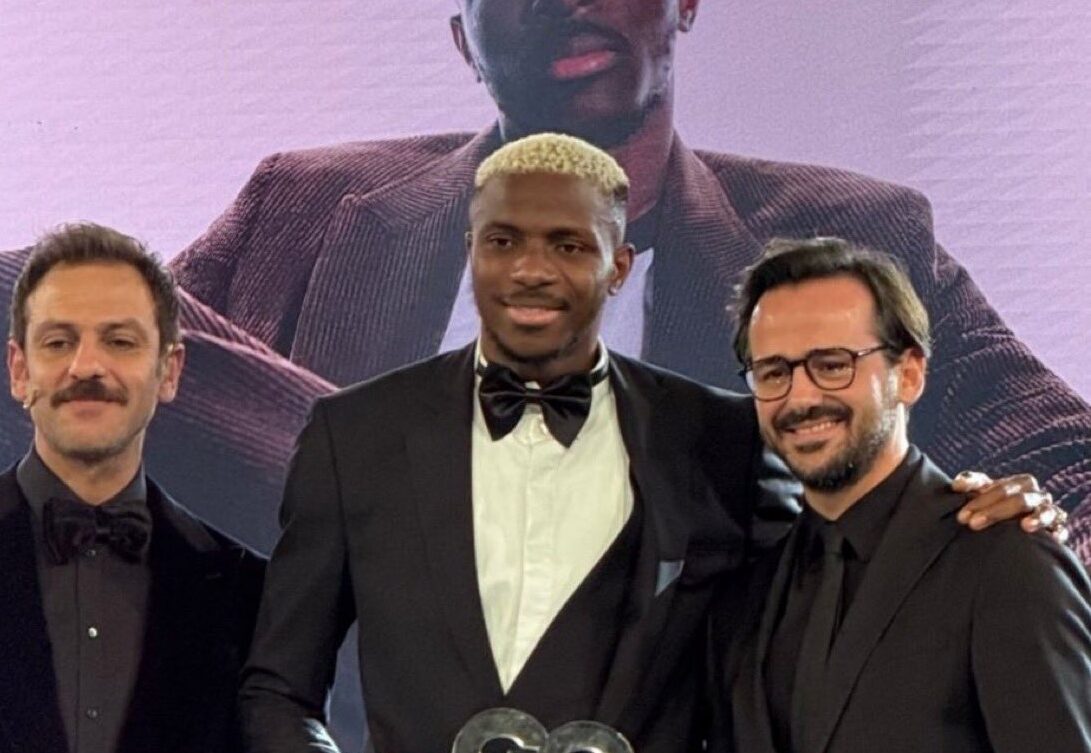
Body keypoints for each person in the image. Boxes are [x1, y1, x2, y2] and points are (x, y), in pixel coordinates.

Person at [161, 0, 1091, 560]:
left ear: (683, 2)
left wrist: (1032, 544)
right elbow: (104, 351)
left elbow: (1069, 462)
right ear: (463, 41)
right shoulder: (307, 204)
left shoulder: (855, 234)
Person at [239, 135, 1057, 753]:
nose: (531, 270)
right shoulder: (354, 433)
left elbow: (836, 573)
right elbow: (278, 687)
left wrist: (996, 511)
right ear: (470, 251)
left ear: (620, 265)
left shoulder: (718, 436)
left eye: (568, 244)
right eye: (503, 240)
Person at [709, 238, 1091, 753]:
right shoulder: (744, 596)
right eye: (774, 372)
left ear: (909, 374)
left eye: (832, 364)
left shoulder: (1007, 559)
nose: (800, 397)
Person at [0, 224, 265, 753]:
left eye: (120, 341)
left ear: (169, 371)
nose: (86, 367)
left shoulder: (252, 595)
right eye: (59, 342)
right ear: (20, 371)